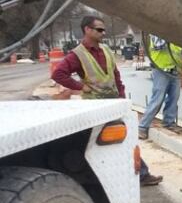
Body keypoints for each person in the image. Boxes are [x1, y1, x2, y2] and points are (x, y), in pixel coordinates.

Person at [52, 15, 164, 186]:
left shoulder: (106, 50)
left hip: (113, 103)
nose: (103, 33)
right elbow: (58, 74)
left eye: (104, 30)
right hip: (94, 105)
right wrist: (80, 87)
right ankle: (88, 177)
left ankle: (141, 174)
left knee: (125, 139)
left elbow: (116, 76)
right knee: (93, 143)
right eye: (99, 29)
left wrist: (122, 98)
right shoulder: (77, 54)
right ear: (87, 30)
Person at [138, 34, 182, 140]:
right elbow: (159, 45)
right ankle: (142, 126)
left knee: (174, 98)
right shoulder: (158, 34)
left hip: (175, 70)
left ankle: (169, 123)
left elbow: (180, 53)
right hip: (161, 70)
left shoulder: (177, 37)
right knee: (158, 99)